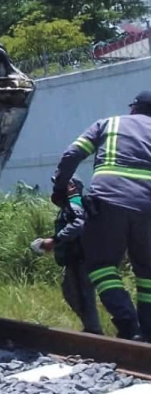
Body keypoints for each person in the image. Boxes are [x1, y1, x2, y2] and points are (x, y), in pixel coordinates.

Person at [51, 90, 151, 342]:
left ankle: (129, 325)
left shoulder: (109, 124)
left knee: (102, 266)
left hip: (108, 201)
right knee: (148, 273)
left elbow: (72, 155)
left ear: (133, 109)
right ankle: (148, 331)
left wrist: (61, 189)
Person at [30, 176, 103, 335]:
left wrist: (55, 240)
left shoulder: (74, 203)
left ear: (73, 187)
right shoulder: (71, 204)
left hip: (81, 257)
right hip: (77, 257)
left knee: (83, 294)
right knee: (73, 292)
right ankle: (91, 327)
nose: (57, 188)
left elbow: (78, 224)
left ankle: (94, 331)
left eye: (62, 184)